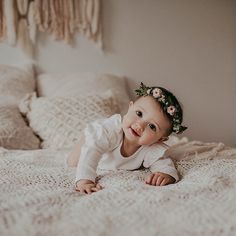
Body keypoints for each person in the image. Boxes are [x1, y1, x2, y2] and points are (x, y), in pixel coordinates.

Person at [67, 82, 188, 194]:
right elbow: (92, 151)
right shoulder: (110, 131)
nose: (140, 125)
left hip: (108, 158)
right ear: (130, 107)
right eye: (139, 114)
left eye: (152, 126)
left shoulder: (151, 147)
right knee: (73, 162)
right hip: (93, 140)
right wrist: (85, 181)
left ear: (160, 139)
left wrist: (166, 174)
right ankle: (85, 137)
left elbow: (163, 163)